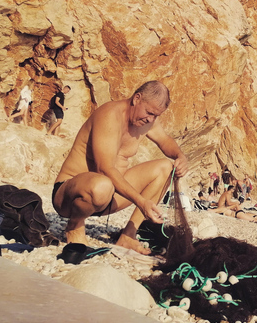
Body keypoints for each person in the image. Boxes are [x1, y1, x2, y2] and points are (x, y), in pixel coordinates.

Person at [52, 81, 188, 254]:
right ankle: (75, 225)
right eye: (149, 113)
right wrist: (141, 202)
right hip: (70, 195)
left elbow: (165, 140)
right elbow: (105, 169)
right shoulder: (110, 115)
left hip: (109, 196)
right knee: (102, 184)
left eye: (156, 115)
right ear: (137, 98)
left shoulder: (148, 120)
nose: (151, 119)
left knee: (167, 168)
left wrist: (180, 156)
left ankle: (128, 236)